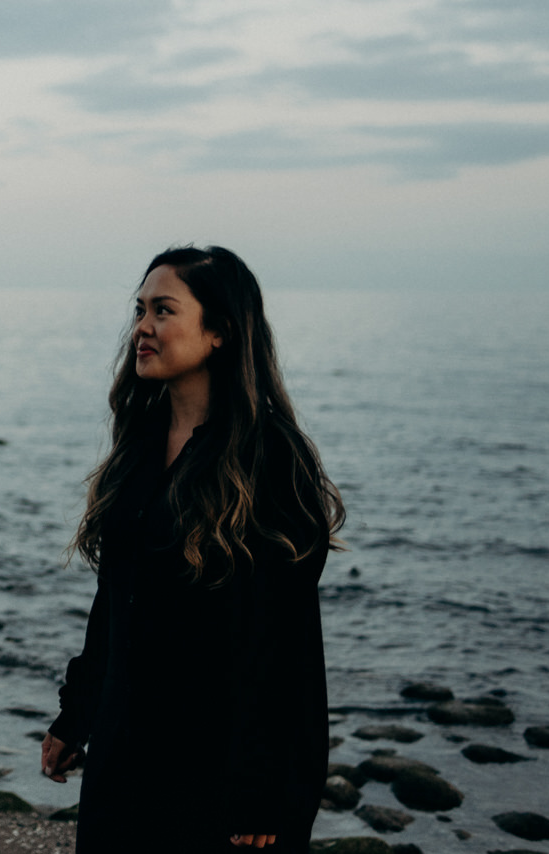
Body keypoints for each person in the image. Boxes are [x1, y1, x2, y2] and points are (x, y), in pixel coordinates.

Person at [40, 246, 345, 852]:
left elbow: (283, 644)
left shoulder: (269, 458)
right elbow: (116, 604)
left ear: (219, 333)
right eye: (139, 310)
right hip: (124, 753)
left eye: (163, 310)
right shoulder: (141, 447)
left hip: (218, 770)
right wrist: (76, 715)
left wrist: (269, 788)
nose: (142, 328)